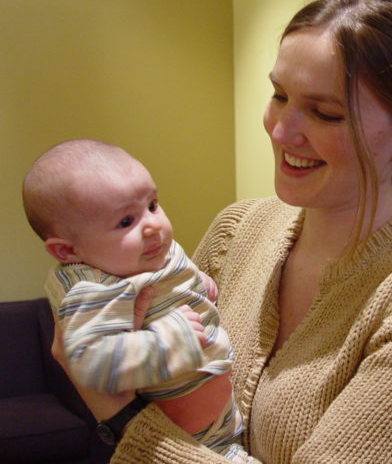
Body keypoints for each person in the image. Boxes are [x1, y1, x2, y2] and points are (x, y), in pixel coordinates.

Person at [53, 0, 392, 463]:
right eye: (279, 95)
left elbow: (134, 405)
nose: (281, 130)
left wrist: (118, 416)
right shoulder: (238, 227)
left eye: (325, 113)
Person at [23, 139, 253, 462]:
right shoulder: (93, 288)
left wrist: (196, 281)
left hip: (225, 431)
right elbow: (91, 362)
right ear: (68, 251)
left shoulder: (146, 255)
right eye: (125, 222)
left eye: (153, 205)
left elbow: (174, 271)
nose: (152, 226)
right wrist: (168, 341)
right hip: (183, 444)